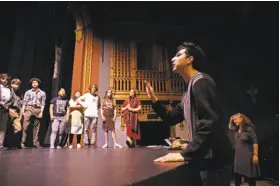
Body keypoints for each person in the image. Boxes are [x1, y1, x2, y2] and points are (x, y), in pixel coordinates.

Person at [145, 42, 232, 186]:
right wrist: (154, 100)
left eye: (178, 55)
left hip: (215, 163)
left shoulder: (201, 81)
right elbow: (170, 118)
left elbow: (209, 122)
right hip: (204, 161)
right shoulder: (187, 94)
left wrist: (185, 153)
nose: (173, 58)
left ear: (190, 59)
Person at [229, 113, 261, 186]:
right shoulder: (236, 129)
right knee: (237, 178)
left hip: (248, 157)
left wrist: (256, 155)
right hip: (238, 157)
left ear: (241, 119)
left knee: (250, 178)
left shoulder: (249, 130)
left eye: (236, 119)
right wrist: (231, 120)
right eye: (234, 120)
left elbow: (255, 142)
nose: (234, 121)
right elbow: (230, 128)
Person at [19, 78, 46, 149]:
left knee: (36, 127)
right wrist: (23, 112)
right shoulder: (28, 92)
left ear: (38, 84)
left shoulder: (42, 93)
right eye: (33, 83)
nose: (34, 84)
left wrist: (41, 112)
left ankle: (36, 143)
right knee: (25, 126)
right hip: (29, 108)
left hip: (37, 109)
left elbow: (43, 104)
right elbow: (24, 102)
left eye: (36, 82)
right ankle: (22, 143)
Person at [0, 73, 14, 150]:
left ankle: (0, 145)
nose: (5, 80)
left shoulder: (9, 89)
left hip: (5, 109)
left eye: (6, 79)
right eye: (3, 79)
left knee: (3, 128)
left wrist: (7, 106)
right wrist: (3, 104)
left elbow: (12, 99)